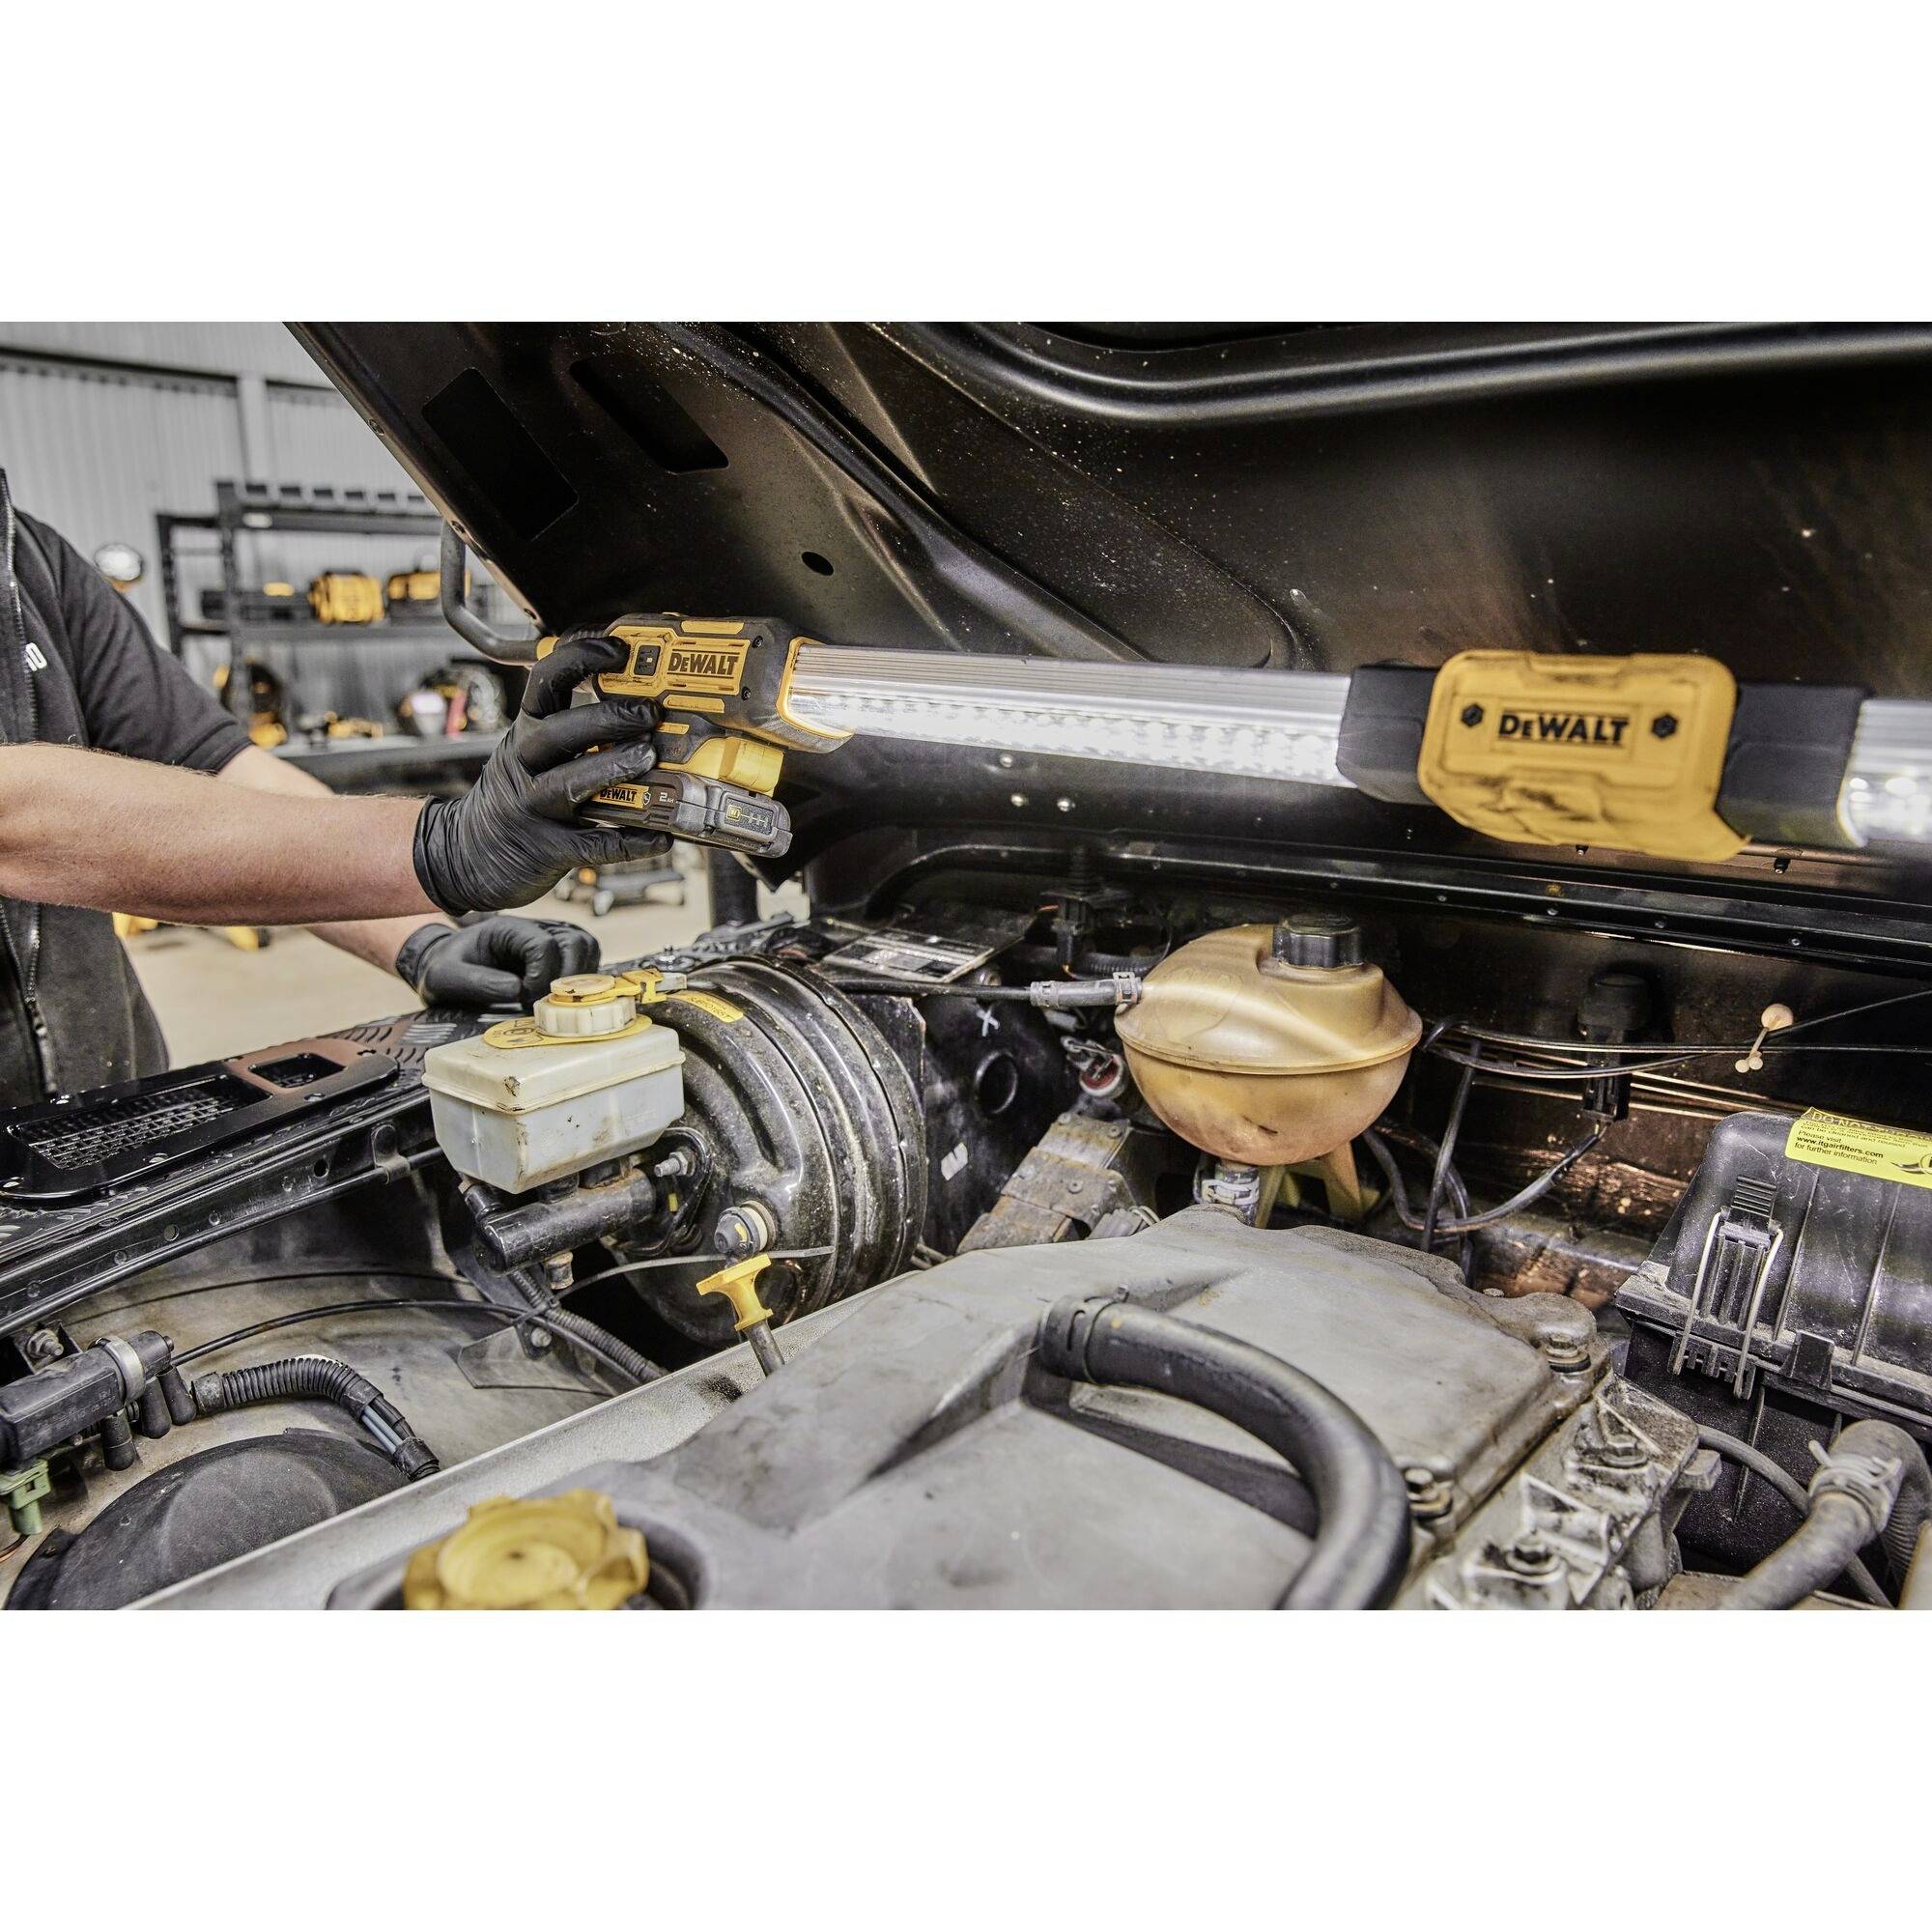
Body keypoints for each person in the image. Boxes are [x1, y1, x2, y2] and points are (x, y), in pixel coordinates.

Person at [0, 469, 667, 1103]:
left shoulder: (31, 561)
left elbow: (218, 767)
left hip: (103, 1108)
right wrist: (439, 849)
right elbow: (14, 817)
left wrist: (423, 940)